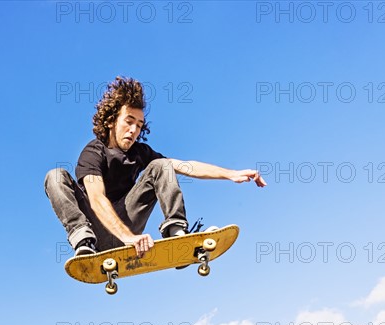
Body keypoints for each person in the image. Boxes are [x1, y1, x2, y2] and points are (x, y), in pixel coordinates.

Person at [44, 76, 266, 258]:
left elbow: (184, 166)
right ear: (111, 121)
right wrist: (128, 237)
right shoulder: (93, 153)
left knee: (162, 165)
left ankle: (176, 233)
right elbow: (96, 199)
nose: (134, 130)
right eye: (128, 121)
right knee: (55, 176)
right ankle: (83, 242)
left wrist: (230, 174)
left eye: (139, 125)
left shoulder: (140, 153)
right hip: (98, 229)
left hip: (128, 223)